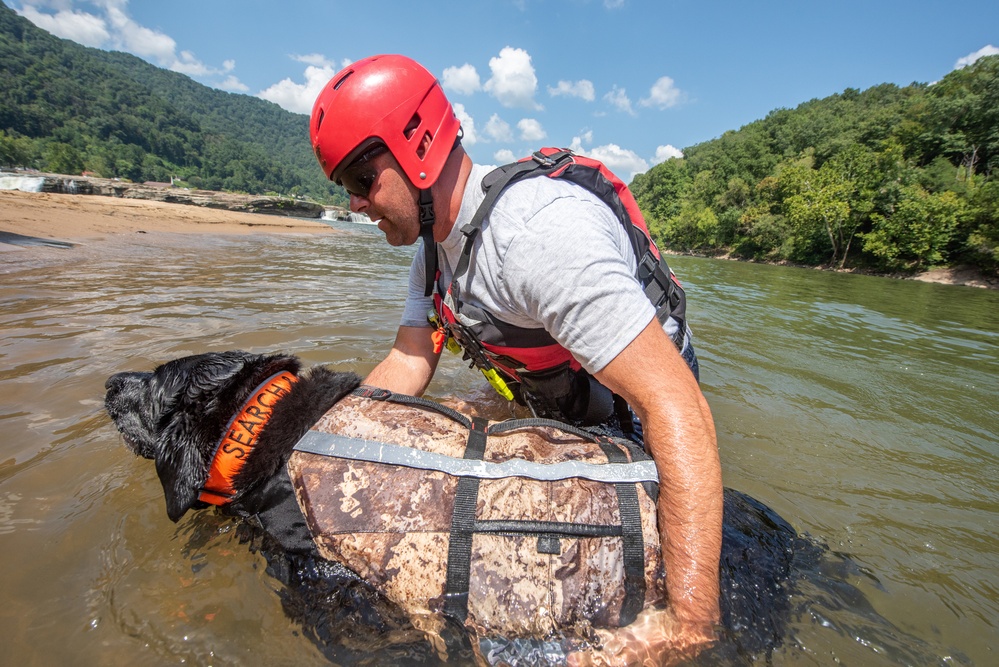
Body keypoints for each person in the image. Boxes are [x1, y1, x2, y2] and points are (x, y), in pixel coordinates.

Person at [310, 54, 722, 660]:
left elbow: (678, 409)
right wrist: (321, 445)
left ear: (416, 147)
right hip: (555, 397)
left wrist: (689, 622)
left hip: (632, 414)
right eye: (343, 187)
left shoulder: (539, 238)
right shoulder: (434, 254)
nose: (354, 204)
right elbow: (407, 365)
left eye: (360, 180)